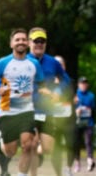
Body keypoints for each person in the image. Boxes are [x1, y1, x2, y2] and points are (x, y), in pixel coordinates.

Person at [0, 28, 46, 176]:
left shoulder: (34, 64)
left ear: (27, 43)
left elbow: (41, 82)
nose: (21, 42)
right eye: (17, 40)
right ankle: (1, 144)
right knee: (10, 151)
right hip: (8, 109)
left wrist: (44, 90)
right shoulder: (3, 62)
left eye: (23, 39)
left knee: (29, 145)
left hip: (27, 109)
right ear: (11, 44)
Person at [27, 27, 72, 176]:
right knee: (31, 144)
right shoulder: (21, 61)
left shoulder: (53, 62)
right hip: (28, 109)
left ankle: (38, 151)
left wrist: (58, 92)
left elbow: (66, 80)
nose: (39, 44)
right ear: (29, 43)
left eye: (43, 41)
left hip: (47, 111)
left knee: (48, 148)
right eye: (36, 41)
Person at [50, 55, 76, 176]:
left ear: (64, 67)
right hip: (53, 119)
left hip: (68, 118)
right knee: (56, 147)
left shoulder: (70, 81)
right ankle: (58, 173)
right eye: (56, 64)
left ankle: (68, 168)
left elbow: (71, 97)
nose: (59, 67)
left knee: (71, 143)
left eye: (61, 64)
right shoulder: (47, 81)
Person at [73, 77, 96, 172]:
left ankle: (90, 161)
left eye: (85, 83)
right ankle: (77, 163)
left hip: (88, 122)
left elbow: (94, 109)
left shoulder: (91, 96)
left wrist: (89, 112)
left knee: (88, 141)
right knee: (76, 143)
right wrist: (76, 111)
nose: (83, 85)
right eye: (82, 83)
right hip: (77, 122)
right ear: (78, 85)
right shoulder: (74, 95)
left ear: (87, 85)